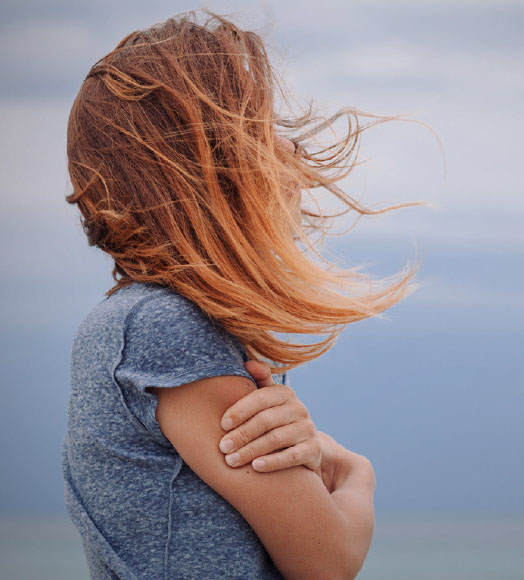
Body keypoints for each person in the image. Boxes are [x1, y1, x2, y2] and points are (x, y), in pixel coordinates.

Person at [62, 10, 425, 580]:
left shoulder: (136, 321)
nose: (287, 149)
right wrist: (355, 473)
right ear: (210, 162)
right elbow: (326, 560)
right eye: (260, 127)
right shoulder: (165, 327)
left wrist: (307, 451)